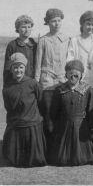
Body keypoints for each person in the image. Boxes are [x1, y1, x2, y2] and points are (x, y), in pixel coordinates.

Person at [47, 60, 93, 166]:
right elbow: (54, 110)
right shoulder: (60, 90)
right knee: (61, 158)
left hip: (81, 127)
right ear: (66, 74)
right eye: (70, 74)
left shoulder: (87, 89)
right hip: (64, 125)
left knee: (81, 155)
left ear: (81, 75)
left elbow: (91, 110)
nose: (73, 77)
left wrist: (91, 127)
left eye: (76, 75)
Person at [2, 53, 47, 167]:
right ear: (11, 69)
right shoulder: (7, 87)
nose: (18, 70)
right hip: (16, 124)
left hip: (32, 123)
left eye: (21, 67)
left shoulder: (33, 84)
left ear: (25, 68)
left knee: (34, 160)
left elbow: (41, 102)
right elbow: (8, 107)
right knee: (14, 161)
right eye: (15, 67)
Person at [66, 11, 93, 147]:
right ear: (82, 24)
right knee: (81, 112)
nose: (90, 27)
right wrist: (77, 72)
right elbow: (70, 59)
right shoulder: (75, 40)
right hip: (80, 82)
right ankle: (81, 142)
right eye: (88, 24)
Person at [34, 8, 70, 136]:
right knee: (48, 112)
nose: (56, 24)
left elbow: (69, 61)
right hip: (47, 81)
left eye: (59, 21)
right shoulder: (43, 40)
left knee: (62, 112)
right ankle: (48, 146)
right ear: (48, 23)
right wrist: (37, 81)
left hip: (62, 81)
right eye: (53, 21)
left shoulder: (66, 39)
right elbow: (38, 63)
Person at [3, 15, 37, 85]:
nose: (27, 30)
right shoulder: (12, 45)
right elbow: (7, 68)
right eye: (23, 27)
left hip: (33, 83)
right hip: (17, 83)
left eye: (29, 27)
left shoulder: (35, 45)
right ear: (17, 28)